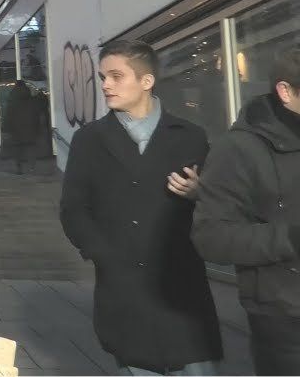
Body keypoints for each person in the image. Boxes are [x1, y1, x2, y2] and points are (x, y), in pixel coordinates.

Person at [60, 39, 221, 375]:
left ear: (146, 81)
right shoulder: (89, 140)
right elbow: (73, 209)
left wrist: (199, 193)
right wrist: (102, 254)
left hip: (181, 289)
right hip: (123, 289)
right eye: (103, 77)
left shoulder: (190, 136)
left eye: (116, 76)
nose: (105, 85)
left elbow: (221, 206)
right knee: (136, 361)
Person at [192, 47, 300, 375]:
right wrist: (290, 238)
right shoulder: (238, 148)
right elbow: (211, 236)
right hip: (286, 321)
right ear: (285, 91)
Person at [3, 80, 42, 175]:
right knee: (30, 148)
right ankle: (31, 167)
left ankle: (19, 168)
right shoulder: (31, 100)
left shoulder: (12, 100)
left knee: (18, 149)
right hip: (30, 128)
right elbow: (36, 115)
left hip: (16, 129)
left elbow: (8, 116)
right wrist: (37, 127)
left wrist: (7, 128)